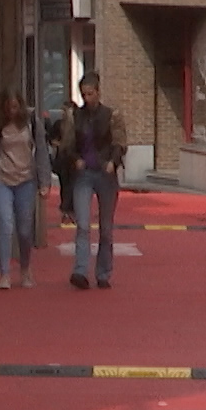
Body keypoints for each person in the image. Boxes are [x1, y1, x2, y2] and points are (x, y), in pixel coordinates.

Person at [56, 73, 128, 289]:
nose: (87, 98)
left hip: (105, 173)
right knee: (84, 225)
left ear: (98, 92)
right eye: (84, 94)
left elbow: (120, 142)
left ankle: (103, 273)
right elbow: (66, 145)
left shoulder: (112, 115)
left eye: (91, 93)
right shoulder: (75, 116)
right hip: (84, 173)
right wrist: (75, 159)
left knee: (105, 228)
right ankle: (80, 270)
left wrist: (113, 162)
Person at [0, 90, 52, 290]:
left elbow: (41, 152)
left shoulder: (32, 122)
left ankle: (26, 268)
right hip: (2, 180)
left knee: (24, 228)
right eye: (8, 108)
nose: (12, 112)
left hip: (26, 180)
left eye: (15, 107)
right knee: (5, 224)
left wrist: (44, 181)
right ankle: (5, 273)